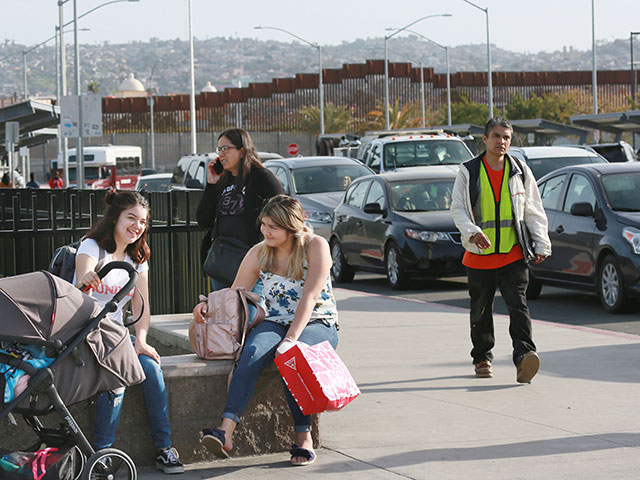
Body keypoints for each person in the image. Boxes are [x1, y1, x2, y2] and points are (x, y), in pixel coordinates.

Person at [194, 195, 339, 466]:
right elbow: (235, 294)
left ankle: (302, 437)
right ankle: (225, 432)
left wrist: (291, 340)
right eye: (264, 224)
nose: (265, 231)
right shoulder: (260, 251)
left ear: (291, 226)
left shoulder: (315, 246)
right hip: (276, 320)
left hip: (318, 321)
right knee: (249, 354)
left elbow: (309, 296)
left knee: (292, 358)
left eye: (273, 226)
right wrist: (206, 306)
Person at [74, 190, 184, 474]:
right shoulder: (93, 247)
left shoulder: (137, 257)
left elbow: (142, 306)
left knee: (151, 367)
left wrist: (142, 341)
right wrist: (87, 277)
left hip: (116, 335)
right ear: (115, 219)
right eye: (131, 218)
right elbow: (83, 272)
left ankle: (164, 448)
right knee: (119, 378)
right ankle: (101, 453)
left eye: (143, 221)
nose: (137, 226)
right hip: (85, 332)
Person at [450, 117, 551, 384]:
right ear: (484, 139)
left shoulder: (520, 170)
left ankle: (525, 357)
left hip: (513, 255)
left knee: (519, 307)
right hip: (479, 257)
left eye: (506, 137)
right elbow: (458, 208)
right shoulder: (468, 171)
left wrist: (541, 243)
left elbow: (533, 209)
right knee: (480, 311)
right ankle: (482, 358)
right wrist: (472, 232)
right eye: (496, 136)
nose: (501, 142)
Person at [196, 127, 283, 291]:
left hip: (254, 260)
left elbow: (282, 218)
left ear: (242, 151)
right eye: (219, 149)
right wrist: (211, 184)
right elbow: (203, 221)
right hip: (223, 262)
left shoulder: (262, 178)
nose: (221, 154)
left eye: (226, 148)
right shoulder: (222, 180)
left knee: (251, 314)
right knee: (226, 313)